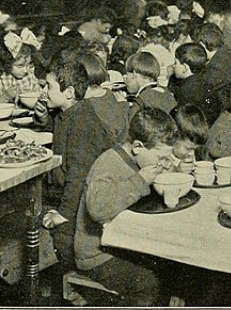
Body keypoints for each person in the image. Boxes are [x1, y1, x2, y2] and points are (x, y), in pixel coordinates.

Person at [74, 107, 178, 306]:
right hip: (98, 256)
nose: (164, 162)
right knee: (148, 283)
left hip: (124, 246)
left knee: (173, 268)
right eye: (161, 157)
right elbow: (97, 209)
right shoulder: (108, 163)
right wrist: (140, 181)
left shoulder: (140, 159)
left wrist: (166, 169)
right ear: (138, 146)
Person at [35, 58, 118, 269]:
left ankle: (71, 276)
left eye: (48, 86)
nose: (43, 92)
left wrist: (63, 214)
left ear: (69, 92)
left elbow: (78, 177)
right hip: (69, 193)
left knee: (61, 239)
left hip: (83, 201)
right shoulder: (72, 112)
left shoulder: (82, 124)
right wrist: (44, 119)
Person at [170, 42, 218, 125]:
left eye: (175, 63)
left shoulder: (184, 90)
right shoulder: (206, 83)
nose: (173, 66)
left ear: (185, 68)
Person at [0, 33, 40, 104]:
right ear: (7, 64)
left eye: (28, 65)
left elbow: (39, 95)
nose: (26, 70)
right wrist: (5, 97)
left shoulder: (30, 77)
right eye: (20, 66)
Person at [170, 104, 208, 173]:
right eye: (188, 149)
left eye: (195, 149)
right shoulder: (162, 160)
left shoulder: (197, 153)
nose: (192, 154)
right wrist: (177, 171)